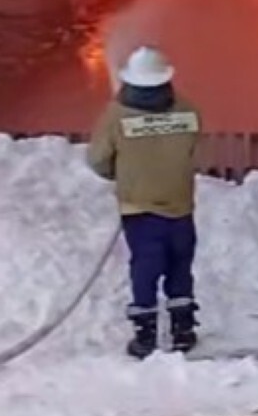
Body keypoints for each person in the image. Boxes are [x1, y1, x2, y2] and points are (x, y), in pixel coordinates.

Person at [86, 46, 203, 359]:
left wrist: (124, 174)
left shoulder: (116, 116)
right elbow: (193, 147)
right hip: (180, 205)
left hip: (139, 209)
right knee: (180, 266)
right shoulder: (188, 111)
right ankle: (183, 329)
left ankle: (145, 335)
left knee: (145, 268)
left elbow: (97, 160)